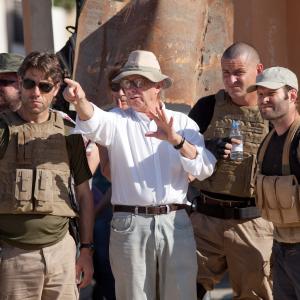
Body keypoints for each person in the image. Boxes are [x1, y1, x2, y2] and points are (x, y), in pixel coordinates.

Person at [63, 49, 217, 300]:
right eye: (126, 83)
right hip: (130, 225)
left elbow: (204, 168)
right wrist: (79, 101)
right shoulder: (117, 120)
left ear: (157, 86)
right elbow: (94, 120)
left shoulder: (183, 122)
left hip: (175, 222)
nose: (130, 89)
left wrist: (176, 140)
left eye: (139, 82)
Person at [0, 51, 94, 300]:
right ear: (20, 83)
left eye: (45, 86)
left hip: (61, 253)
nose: (36, 92)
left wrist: (86, 250)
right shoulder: (2, 129)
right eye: (30, 83)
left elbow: (84, 195)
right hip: (13, 255)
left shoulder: (68, 132)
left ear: (56, 90)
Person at [188, 42, 274, 299]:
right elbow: (180, 152)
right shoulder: (207, 107)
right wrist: (206, 147)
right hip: (205, 220)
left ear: (258, 70)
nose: (231, 80)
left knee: (255, 294)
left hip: (253, 222)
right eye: (226, 73)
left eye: (238, 72)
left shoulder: (272, 113)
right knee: (184, 288)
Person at [249, 67, 300, 300]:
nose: (264, 99)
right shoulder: (267, 143)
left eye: (271, 93)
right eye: (260, 94)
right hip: (280, 247)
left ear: (292, 96)